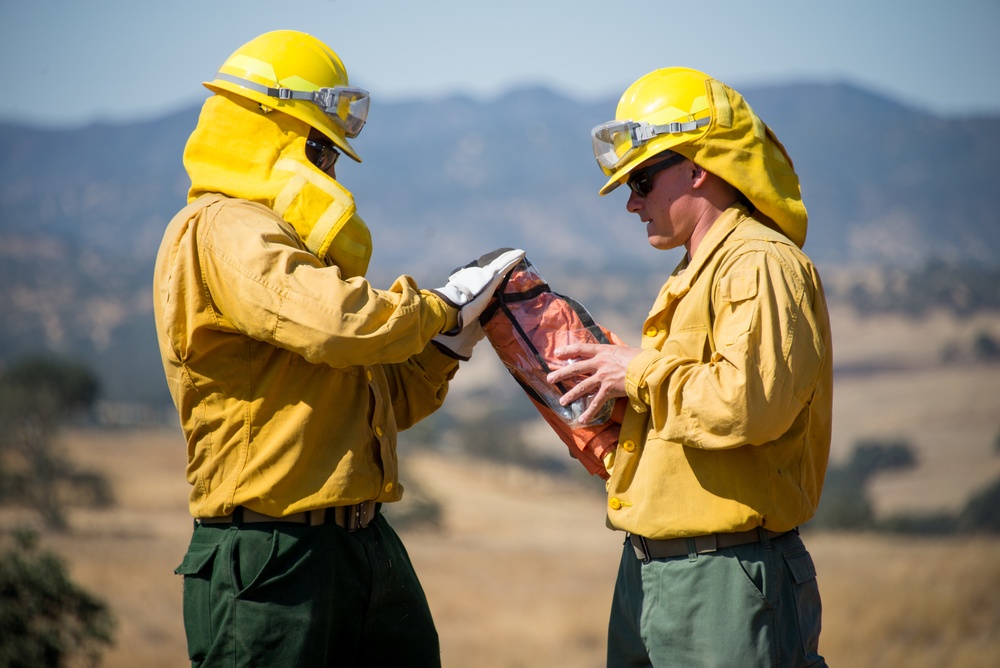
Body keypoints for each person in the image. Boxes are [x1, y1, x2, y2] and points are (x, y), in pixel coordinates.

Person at [152, 30, 522, 667]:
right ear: (272, 128)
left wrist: (449, 345)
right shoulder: (227, 226)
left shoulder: (291, 252)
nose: (326, 170)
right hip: (270, 555)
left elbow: (372, 404)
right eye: (321, 149)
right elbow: (338, 327)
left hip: (360, 542)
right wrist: (438, 305)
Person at [547, 67, 833, 667]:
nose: (631, 202)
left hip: (725, 579)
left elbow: (749, 405)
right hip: (660, 571)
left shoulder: (758, 263)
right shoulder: (696, 268)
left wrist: (638, 373)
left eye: (643, 180)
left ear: (699, 168)